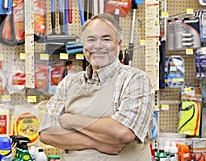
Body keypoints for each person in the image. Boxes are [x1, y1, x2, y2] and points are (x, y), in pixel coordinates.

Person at [39, 13, 155, 160]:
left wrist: (71, 120)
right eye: (91, 39)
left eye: (106, 39)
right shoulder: (68, 83)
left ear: (119, 44)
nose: (98, 46)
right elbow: (47, 134)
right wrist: (96, 143)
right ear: (84, 45)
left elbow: (124, 131)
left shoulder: (134, 79)